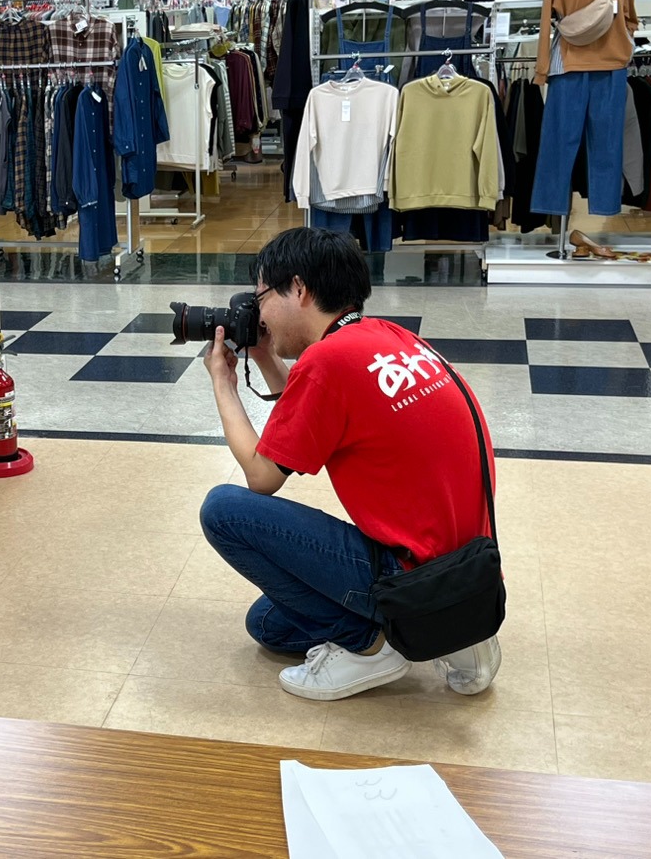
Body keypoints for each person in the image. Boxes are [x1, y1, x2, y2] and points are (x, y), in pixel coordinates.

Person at [199, 227, 501, 701]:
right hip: (468, 570)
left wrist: (223, 383)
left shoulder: (328, 362)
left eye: (261, 296)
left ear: (297, 288)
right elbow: (307, 417)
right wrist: (263, 355)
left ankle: (373, 645)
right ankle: (454, 634)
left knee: (223, 509)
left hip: (409, 574)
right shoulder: (386, 337)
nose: (258, 313)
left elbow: (261, 477)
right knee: (268, 625)